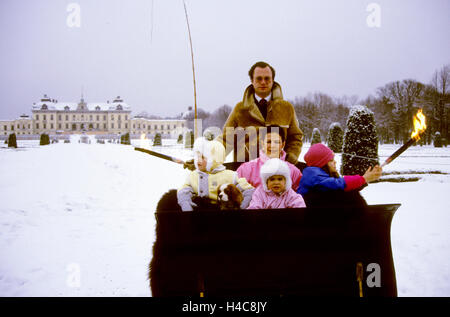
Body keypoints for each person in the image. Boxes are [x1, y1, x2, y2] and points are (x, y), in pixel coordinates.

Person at [216, 61, 303, 165]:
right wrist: (209, 157)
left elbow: (295, 138)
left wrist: (291, 157)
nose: (263, 82)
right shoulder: (240, 109)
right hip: (246, 170)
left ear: (272, 80)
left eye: (267, 78)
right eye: (258, 78)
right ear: (252, 81)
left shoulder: (286, 108)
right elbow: (226, 139)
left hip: (277, 171)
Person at [177, 137, 254, 211]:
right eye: (197, 156)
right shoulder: (193, 176)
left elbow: (249, 191)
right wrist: (186, 206)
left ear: (215, 158)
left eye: (203, 157)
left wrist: (241, 207)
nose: (198, 160)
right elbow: (183, 192)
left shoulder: (230, 175)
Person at [297, 143, 382, 207]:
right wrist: (363, 179)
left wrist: (364, 180)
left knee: (350, 193)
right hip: (309, 214)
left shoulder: (318, 174)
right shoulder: (313, 175)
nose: (335, 162)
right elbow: (338, 184)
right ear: (321, 164)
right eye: (330, 160)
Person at [236, 125, 302, 191]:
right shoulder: (246, 169)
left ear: (283, 144)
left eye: (276, 142)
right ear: (262, 143)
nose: (272, 146)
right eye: (269, 142)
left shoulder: (293, 171)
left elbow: (301, 195)